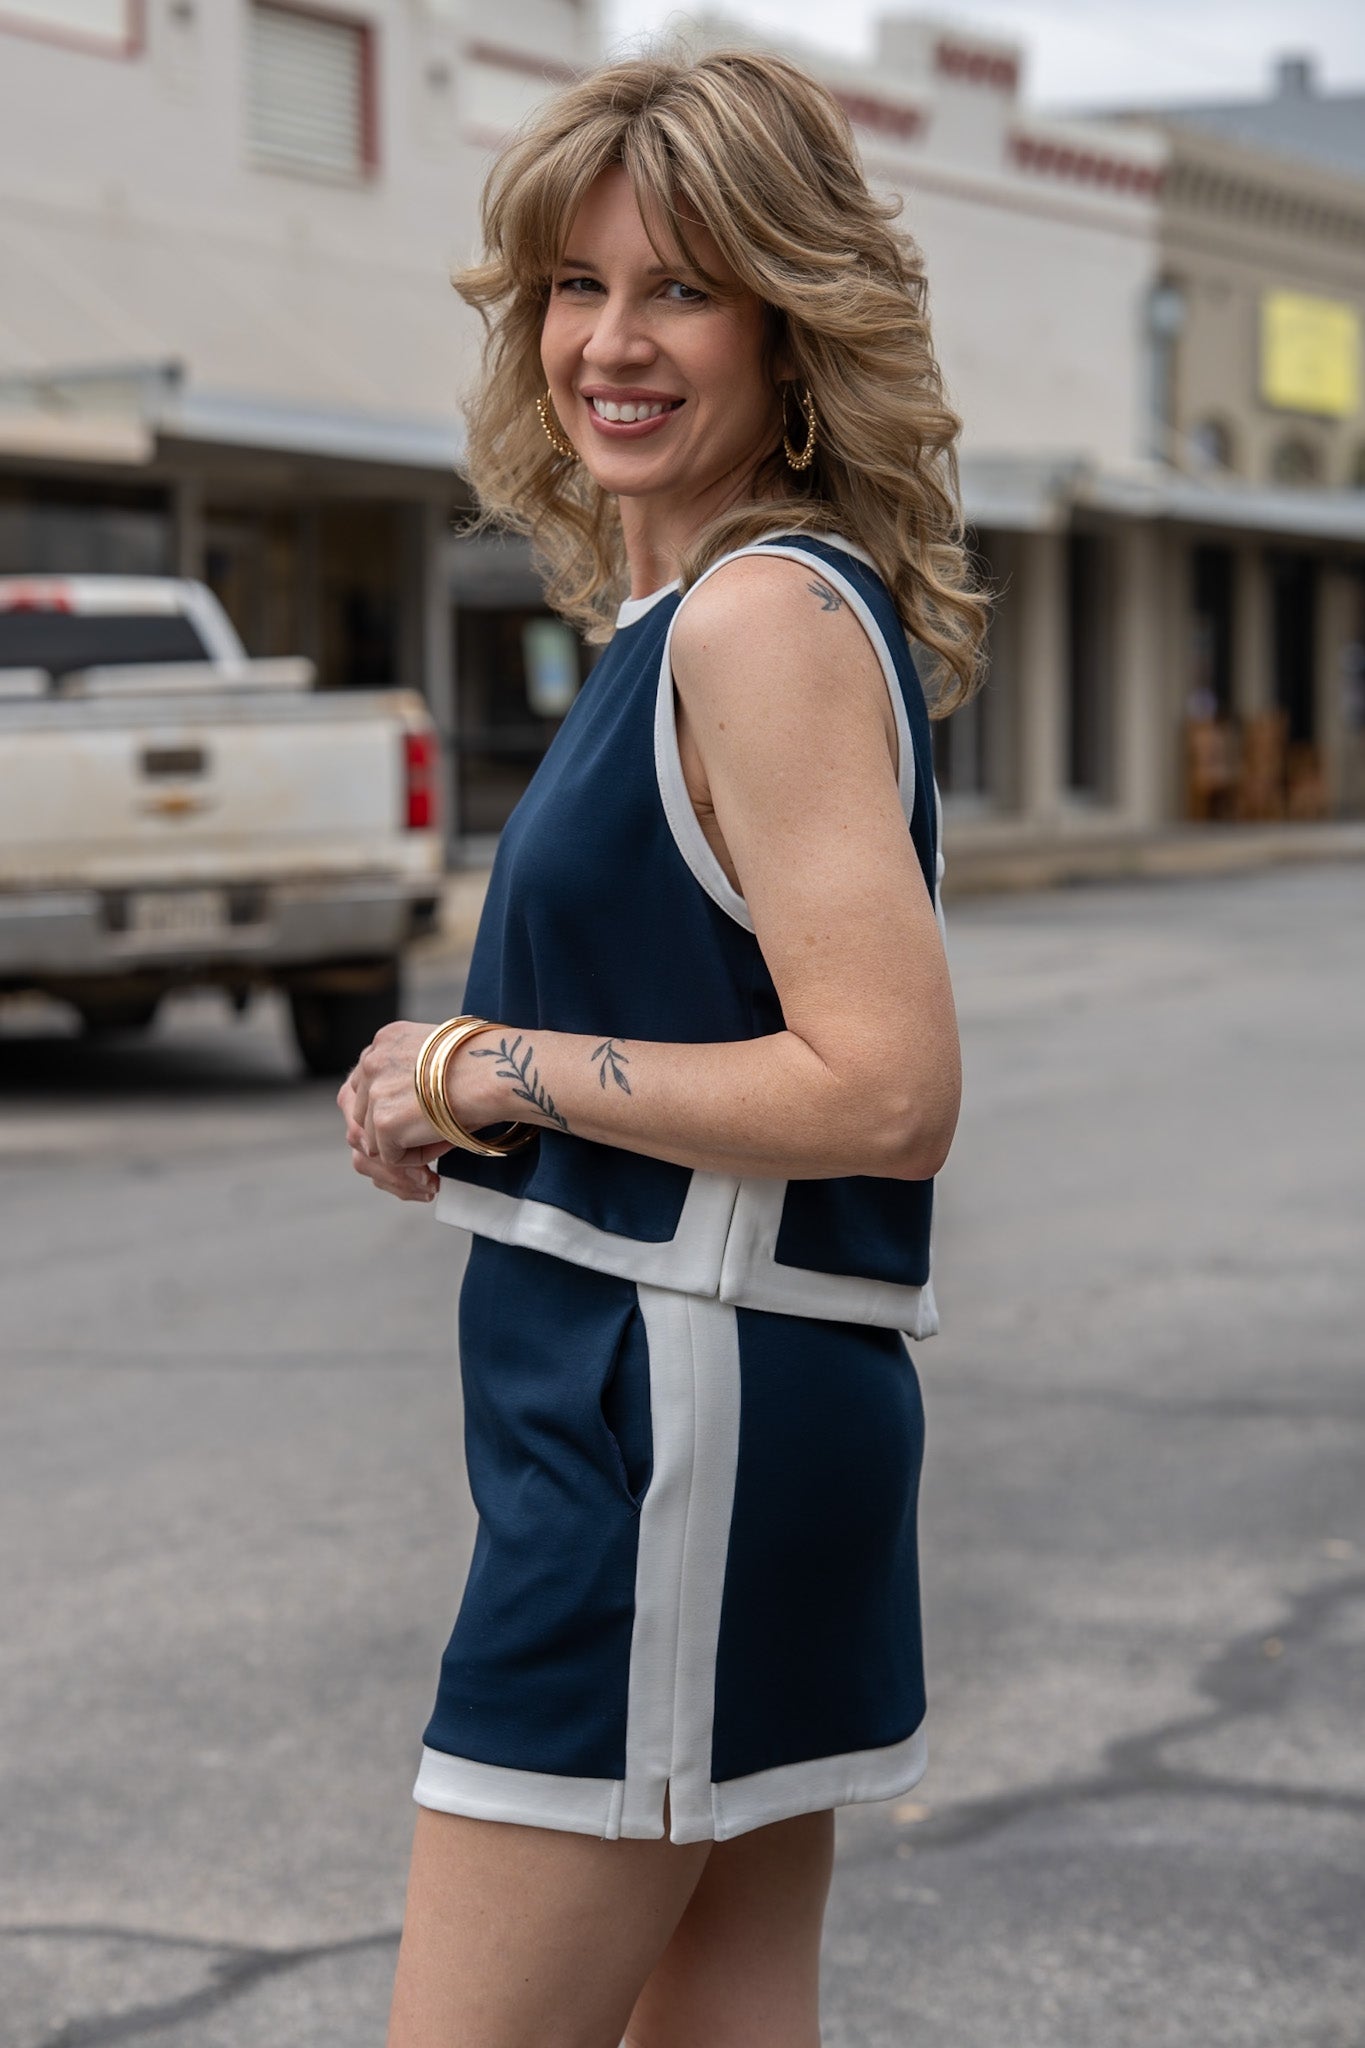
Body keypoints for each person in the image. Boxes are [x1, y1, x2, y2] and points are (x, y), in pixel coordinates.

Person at [338, 44, 989, 2048]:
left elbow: (884, 1089)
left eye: (679, 289)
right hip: (707, 1409)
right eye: (573, 284)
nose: (609, 342)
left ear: (790, 330)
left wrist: (486, 1068)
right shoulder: (709, 614)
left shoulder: (753, 622)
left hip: (666, 1425)